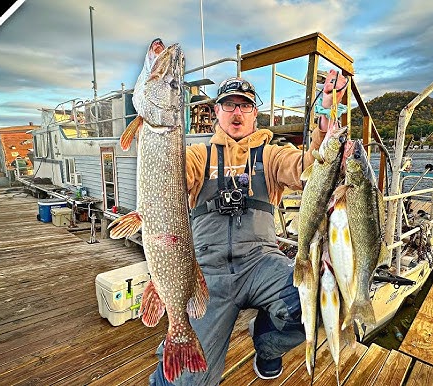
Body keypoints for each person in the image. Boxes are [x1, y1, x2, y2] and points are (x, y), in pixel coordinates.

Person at [149, 71, 348, 386]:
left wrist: (326, 114)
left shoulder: (271, 155)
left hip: (261, 262)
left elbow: (310, 168)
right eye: (229, 105)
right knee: (187, 380)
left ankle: (267, 346)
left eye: (244, 105)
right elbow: (170, 177)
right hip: (206, 272)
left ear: (256, 113)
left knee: (322, 299)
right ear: (217, 112)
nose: (237, 112)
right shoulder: (198, 155)